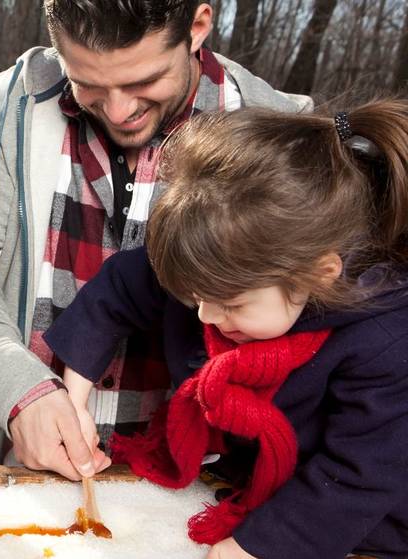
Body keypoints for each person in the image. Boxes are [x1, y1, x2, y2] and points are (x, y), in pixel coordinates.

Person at [0, 0, 311, 481]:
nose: (120, 111)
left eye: (143, 82)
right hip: (17, 473)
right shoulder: (11, 104)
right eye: (90, 85)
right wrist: (16, 386)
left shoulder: (283, 130)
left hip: (203, 487)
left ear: (198, 28)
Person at [44, 100, 408, 559]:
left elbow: (358, 477)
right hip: (251, 492)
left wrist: (257, 548)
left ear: (318, 275)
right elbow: (120, 287)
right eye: (193, 298)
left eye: (231, 305)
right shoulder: (211, 263)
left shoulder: (388, 339)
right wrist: (73, 396)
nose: (204, 318)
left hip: (369, 533)